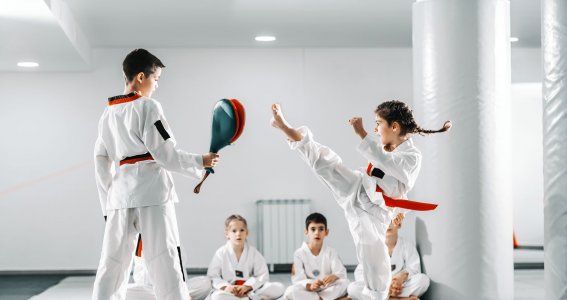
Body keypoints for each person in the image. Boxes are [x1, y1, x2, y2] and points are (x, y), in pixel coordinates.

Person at [270, 101, 449, 300]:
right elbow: (385, 168)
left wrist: (363, 134)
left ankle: (381, 297)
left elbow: (397, 180)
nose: (375, 128)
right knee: (325, 163)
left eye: (378, 123)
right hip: (358, 186)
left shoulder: (412, 156)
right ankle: (285, 128)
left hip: (373, 213)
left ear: (395, 127)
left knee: (373, 257)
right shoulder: (386, 148)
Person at [93, 48, 219, 300]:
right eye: (156, 79)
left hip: (119, 196)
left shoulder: (108, 113)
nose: (157, 85)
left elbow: (100, 159)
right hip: (152, 193)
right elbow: (166, 155)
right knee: (165, 258)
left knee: (112, 263)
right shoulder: (148, 107)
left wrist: (108, 202)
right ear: (141, 77)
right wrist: (200, 161)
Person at [348, 217, 429, 300]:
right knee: (352, 288)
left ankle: (386, 298)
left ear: (399, 224)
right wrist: (376, 284)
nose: (387, 225)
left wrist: (401, 277)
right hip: (379, 289)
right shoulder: (372, 247)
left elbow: (414, 268)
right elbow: (360, 272)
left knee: (423, 280)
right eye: (383, 221)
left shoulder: (407, 245)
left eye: (391, 221)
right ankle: (397, 298)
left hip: (399, 286)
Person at [207, 215, 285, 300]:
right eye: (234, 231)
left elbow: (262, 275)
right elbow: (212, 276)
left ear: (247, 233)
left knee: (279, 287)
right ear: (227, 234)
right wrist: (226, 287)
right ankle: (253, 299)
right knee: (216, 296)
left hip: (249, 290)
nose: (238, 234)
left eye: (242, 230)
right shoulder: (221, 253)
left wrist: (247, 286)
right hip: (230, 291)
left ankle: (248, 297)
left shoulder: (253, 252)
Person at [285, 212, 350, 300]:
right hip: (309, 289)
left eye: (321, 229)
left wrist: (333, 276)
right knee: (290, 291)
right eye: (313, 229)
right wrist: (310, 285)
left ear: (326, 232)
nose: (317, 233)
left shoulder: (331, 252)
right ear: (306, 232)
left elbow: (341, 273)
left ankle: (319, 298)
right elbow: (297, 279)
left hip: (327, 288)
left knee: (345, 283)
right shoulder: (299, 253)